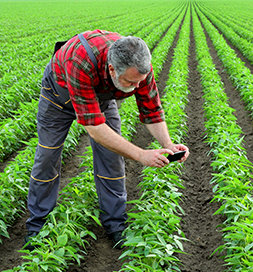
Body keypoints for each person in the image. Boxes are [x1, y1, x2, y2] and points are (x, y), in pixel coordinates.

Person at [25, 29, 189, 250]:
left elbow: (152, 110)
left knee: (111, 158)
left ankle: (115, 224)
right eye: (131, 82)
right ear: (112, 70)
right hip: (58, 98)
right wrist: (140, 154)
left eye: (140, 81)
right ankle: (37, 226)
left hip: (100, 99)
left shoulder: (139, 68)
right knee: (47, 155)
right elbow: (94, 128)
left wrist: (168, 145)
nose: (137, 87)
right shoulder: (80, 61)